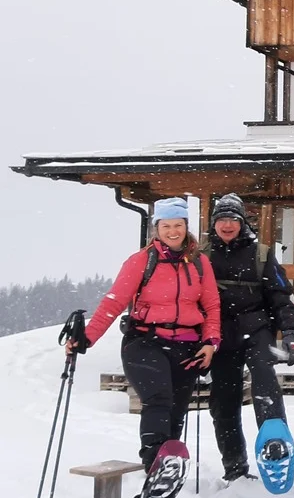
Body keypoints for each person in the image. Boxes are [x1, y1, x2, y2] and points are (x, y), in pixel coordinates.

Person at [65, 197, 221, 472]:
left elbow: (211, 306)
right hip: (145, 342)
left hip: (187, 345)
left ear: (186, 227)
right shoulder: (141, 261)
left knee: (176, 410)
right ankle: (154, 462)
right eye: (166, 226)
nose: (172, 231)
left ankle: (171, 463)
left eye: (178, 225)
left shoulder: (200, 263)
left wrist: (210, 342)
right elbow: (113, 302)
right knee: (158, 400)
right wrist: (86, 338)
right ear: (156, 229)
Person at [202, 193, 294, 481]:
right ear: (214, 223)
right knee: (224, 400)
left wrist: (291, 330)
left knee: (264, 381)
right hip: (219, 334)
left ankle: (275, 447)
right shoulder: (203, 255)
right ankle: (234, 466)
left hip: (256, 330)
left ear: (242, 222)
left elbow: (281, 296)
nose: (227, 225)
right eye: (221, 220)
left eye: (233, 219)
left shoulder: (262, 254)